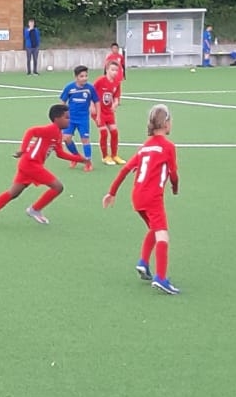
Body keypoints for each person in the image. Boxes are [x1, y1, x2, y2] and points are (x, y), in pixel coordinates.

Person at [103, 103, 180, 294]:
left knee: (154, 228)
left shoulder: (144, 147)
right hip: (153, 197)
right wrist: (175, 187)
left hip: (137, 196)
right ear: (166, 123)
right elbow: (173, 173)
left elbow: (125, 170)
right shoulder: (168, 147)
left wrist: (112, 192)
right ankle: (161, 278)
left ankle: (143, 262)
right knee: (162, 234)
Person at [0, 104, 84, 228]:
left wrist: (80, 159)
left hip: (29, 164)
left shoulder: (58, 134)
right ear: (57, 119)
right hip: (31, 164)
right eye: (67, 117)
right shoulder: (50, 129)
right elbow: (31, 131)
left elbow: (60, 153)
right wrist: (22, 150)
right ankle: (34, 209)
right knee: (58, 187)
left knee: (13, 192)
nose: (69, 120)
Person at [58, 65, 97, 169]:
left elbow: (97, 101)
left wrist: (98, 114)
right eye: (81, 76)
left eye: (86, 76)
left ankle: (88, 162)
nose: (84, 78)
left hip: (83, 119)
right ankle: (76, 157)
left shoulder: (90, 88)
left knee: (85, 140)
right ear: (76, 77)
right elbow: (62, 101)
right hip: (70, 119)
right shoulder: (69, 88)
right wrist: (62, 116)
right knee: (66, 138)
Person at [92, 59, 126, 165]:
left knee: (114, 132)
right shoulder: (100, 81)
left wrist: (115, 104)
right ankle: (105, 156)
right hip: (98, 112)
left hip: (109, 112)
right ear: (107, 70)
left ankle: (114, 155)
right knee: (104, 133)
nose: (115, 72)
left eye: (116, 70)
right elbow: (90, 93)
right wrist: (91, 106)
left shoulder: (117, 83)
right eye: (112, 70)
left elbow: (116, 97)